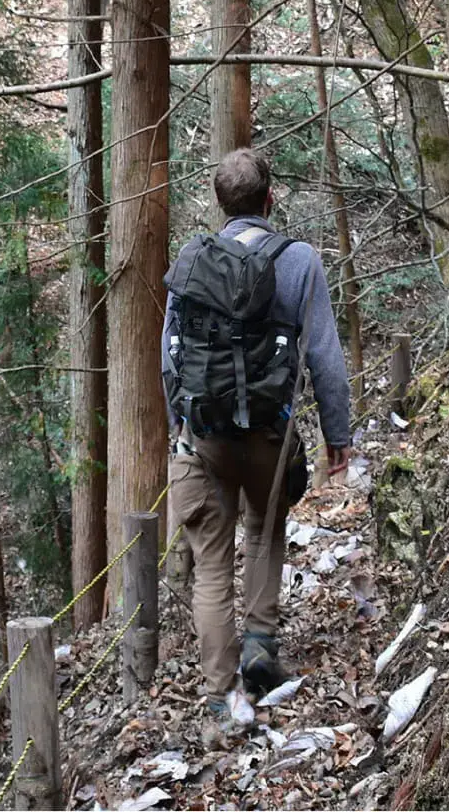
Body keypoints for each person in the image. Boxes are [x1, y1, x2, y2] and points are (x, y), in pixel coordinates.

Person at [160, 147, 353, 734]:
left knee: (212, 565)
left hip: (205, 437)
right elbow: (324, 355)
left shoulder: (191, 262)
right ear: (270, 198)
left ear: (221, 205)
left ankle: (222, 700)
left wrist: (181, 423)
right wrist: (338, 438)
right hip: (270, 433)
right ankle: (260, 643)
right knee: (265, 529)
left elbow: (169, 353)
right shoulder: (299, 261)